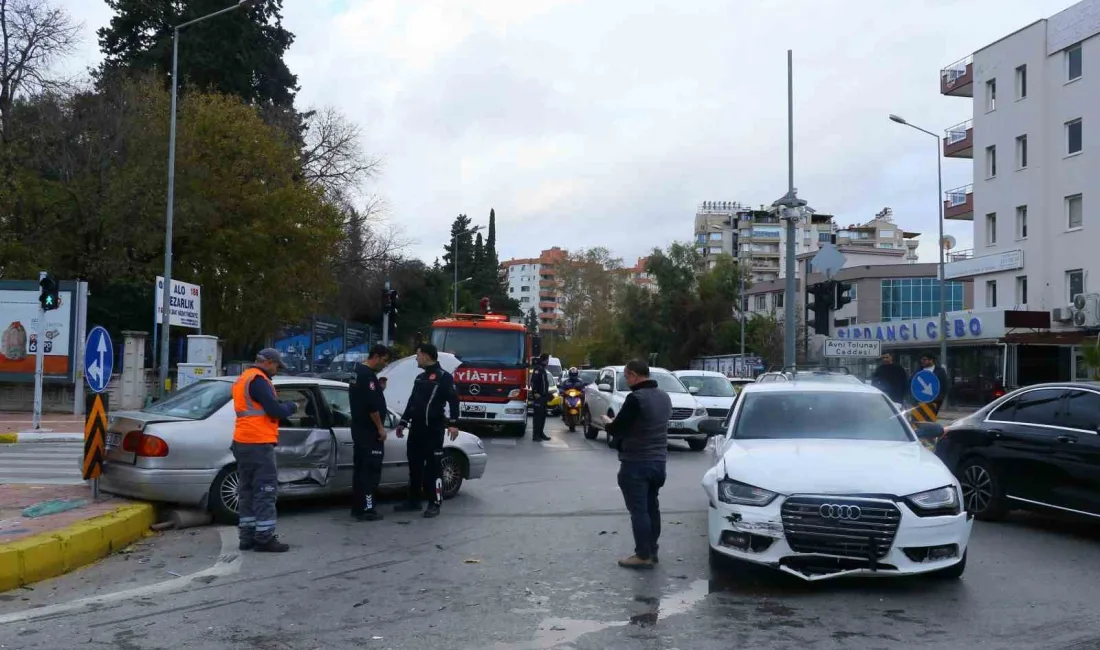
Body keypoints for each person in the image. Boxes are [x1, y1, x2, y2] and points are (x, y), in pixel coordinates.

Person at [603, 359, 672, 570]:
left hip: (636, 463)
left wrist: (607, 422)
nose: (626, 380)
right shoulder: (664, 397)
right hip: (659, 462)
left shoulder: (635, 399)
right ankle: (652, 550)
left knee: (639, 511)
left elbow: (618, 428)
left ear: (633, 375)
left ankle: (642, 555)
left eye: (626, 376)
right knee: (652, 507)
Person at [232, 348, 298, 553]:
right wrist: (292, 406)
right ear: (268, 362)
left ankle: (247, 537)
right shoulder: (259, 380)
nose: (277, 370)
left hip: (242, 441)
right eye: (277, 366)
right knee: (265, 491)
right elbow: (275, 411)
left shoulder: (244, 378)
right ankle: (264, 538)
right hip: (259, 443)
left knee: (247, 491)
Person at [395, 344, 460, 518]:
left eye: (417, 355)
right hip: (416, 430)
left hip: (433, 430)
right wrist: (402, 422)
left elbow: (454, 400)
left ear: (425, 355)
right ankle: (413, 501)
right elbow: (412, 402)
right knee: (414, 467)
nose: (416, 358)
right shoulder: (419, 378)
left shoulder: (444, 377)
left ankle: (434, 503)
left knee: (433, 468)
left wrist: (453, 423)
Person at [348, 344, 392, 521]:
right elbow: (371, 407)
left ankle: (358, 507)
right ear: (377, 356)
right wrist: (380, 428)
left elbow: (364, 396)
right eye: (384, 360)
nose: (385, 365)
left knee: (360, 471)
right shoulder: (367, 375)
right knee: (370, 471)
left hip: (359, 430)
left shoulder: (358, 372)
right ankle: (367, 508)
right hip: (369, 432)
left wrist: (379, 388)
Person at [529, 354, 551, 442]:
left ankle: (541, 433)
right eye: (547, 360)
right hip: (539, 396)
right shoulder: (538, 369)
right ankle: (536, 435)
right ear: (544, 360)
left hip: (544, 396)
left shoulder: (543, 370)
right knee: (537, 417)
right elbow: (533, 382)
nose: (548, 362)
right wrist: (535, 392)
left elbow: (544, 384)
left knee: (542, 416)